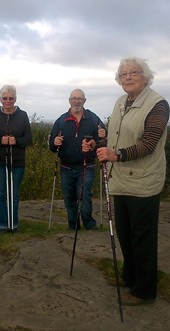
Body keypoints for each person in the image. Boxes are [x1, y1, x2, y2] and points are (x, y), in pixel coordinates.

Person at [96, 57, 170, 306]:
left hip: (144, 180)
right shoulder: (121, 102)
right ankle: (130, 277)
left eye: (133, 73)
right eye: (123, 74)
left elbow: (149, 143)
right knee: (125, 234)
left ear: (145, 76)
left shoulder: (158, 105)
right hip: (121, 179)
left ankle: (145, 290)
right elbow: (115, 137)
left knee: (142, 237)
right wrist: (98, 146)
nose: (127, 77)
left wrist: (116, 155)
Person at [49, 89, 106, 231]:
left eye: (80, 98)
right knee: (69, 198)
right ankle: (73, 225)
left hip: (87, 165)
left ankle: (89, 223)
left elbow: (103, 141)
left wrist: (103, 135)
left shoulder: (93, 119)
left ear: (84, 101)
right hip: (66, 166)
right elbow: (51, 144)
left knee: (84, 194)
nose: (77, 101)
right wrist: (54, 142)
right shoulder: (61, 120)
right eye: (74, 98)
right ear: (69, 100)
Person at [0, 85, 33, 233]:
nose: (8, 101)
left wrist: (16, 141)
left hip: (17, 161)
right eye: (5, 98)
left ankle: (13, 223)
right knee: (0, 193)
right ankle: (2, 224)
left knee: (14, 194)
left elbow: (28, 139)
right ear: (0, 99)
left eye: (11, 98)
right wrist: (0, 141)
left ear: (15, 99)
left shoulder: (23, 115)